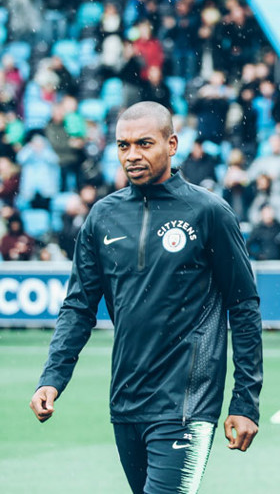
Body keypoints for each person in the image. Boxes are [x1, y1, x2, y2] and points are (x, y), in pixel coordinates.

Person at [29, 102, 263, 494]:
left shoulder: (209, 212)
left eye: (144, 144)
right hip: (126, 401)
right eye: (123, 146)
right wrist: (53, 378)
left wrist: (245, 401)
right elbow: (78, 307)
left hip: (187, 403)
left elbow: (243, 306)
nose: (132, 155)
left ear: (172, 145)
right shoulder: (102, 217)